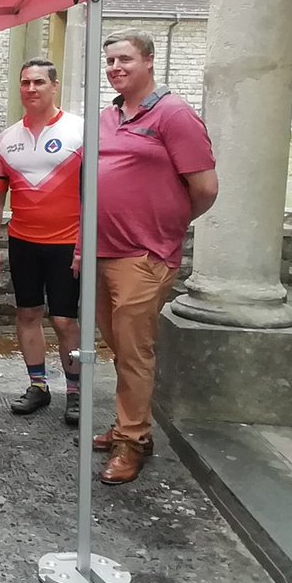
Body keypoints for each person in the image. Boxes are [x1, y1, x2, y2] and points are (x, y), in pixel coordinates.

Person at [91, 29, 217, 484]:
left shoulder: (174, 114)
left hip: (143, 255)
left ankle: (133, 441)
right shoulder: (108, 116)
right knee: (120, 345)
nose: (115, 68)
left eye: (125, 59)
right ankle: (130, 422)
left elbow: (205, 189)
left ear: (148, 60)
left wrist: (166, 227)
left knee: (134, 351)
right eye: (110, 61)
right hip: (101, 249)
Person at [0, 59, 83, 425]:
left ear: (54, 86)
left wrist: (85, 244)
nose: (31, 88)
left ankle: (75, 391)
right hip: (24, 241)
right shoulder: (8, 139)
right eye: (25, 82)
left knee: (64, 320)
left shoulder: (80, 132)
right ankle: (38, 385)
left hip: (67, 243)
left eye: (39, 82)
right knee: (27, 314)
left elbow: (95, 194)